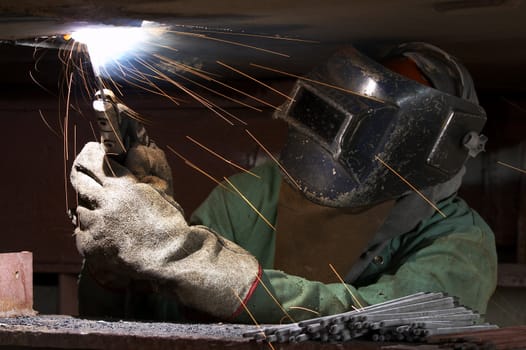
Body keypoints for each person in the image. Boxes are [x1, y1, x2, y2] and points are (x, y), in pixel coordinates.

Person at [70, 42, 497, 324]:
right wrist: (119, 268)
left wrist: (210, 269)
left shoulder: (459, 240)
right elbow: (162, 324)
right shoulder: (253, 194)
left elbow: (384, 323)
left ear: (431, 145)